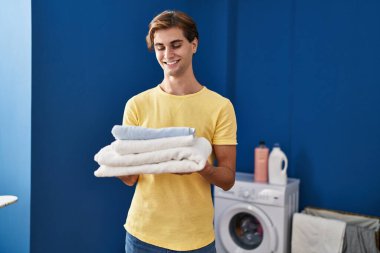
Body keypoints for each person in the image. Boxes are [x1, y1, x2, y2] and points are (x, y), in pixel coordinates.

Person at [118, 10, 237, 253]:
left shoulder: (219, 107)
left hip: (195, 239)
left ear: (194, 44)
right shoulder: (137, 105)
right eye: (160, 47)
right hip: (143, 235)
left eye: (176, 45)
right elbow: (130, 179)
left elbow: (227, 179)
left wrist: (205, 169)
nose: (168, 54)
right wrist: (125, 161)